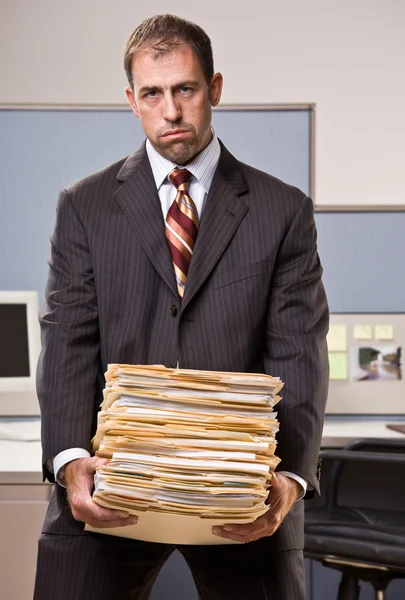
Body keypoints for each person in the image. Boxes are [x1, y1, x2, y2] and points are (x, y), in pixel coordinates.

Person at [34, 13, 329, 600]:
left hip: (240, 489)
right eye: (153, 93)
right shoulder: (84, 207)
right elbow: (69, 340)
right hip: (112, 478)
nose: (170, 111)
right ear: (132, 99)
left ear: (214, 89)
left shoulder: (282, 209)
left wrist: (290, 477)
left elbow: (298, 350)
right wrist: (71, 462)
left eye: (185, 89)